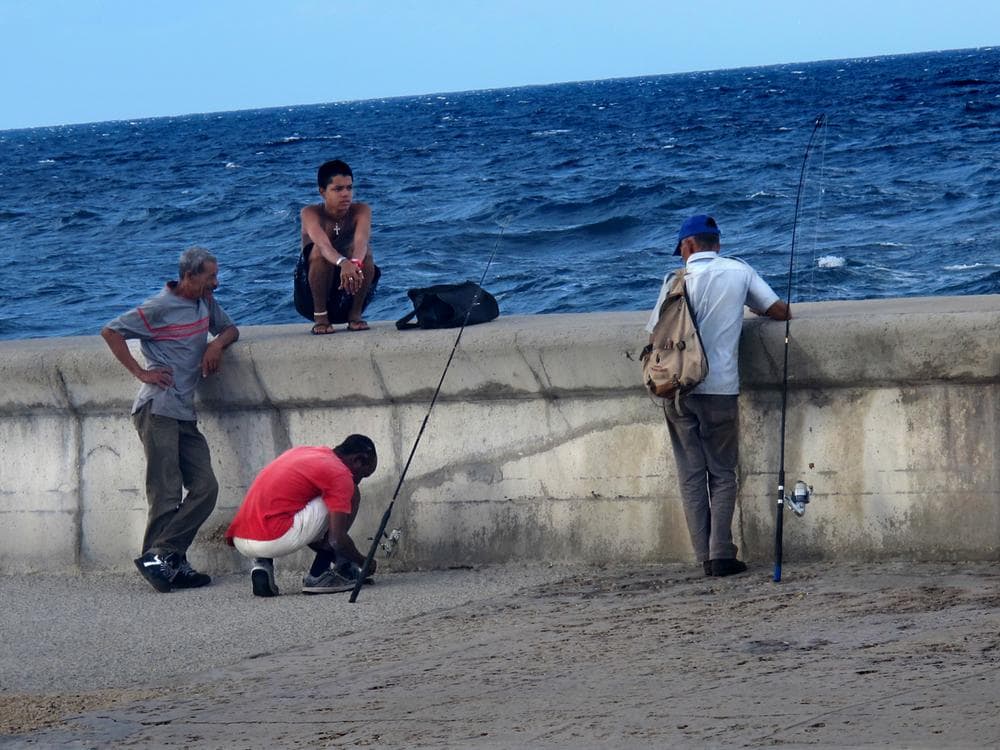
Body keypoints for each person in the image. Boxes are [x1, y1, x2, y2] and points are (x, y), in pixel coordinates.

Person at [646, 215, 790, 577]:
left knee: (692, 475)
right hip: (721, 388)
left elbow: (654, 334)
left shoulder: (674, 281)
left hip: (678, 388)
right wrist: (750, 309)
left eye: (680, 248)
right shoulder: (739, 272)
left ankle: (703, 556)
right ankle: (722, 553)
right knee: (723, 473)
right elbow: (779, 310)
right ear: (717, 244)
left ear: (689, 245)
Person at [101, 247, 240, 592]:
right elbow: (111, 331)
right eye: (210, 276)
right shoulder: (159, 307)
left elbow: (231, 329)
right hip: (157, 408)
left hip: (183, 411)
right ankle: (165, 562)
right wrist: (140, 373)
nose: (216, 282)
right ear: (189, 276)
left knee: (205, 487)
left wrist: (215, 345)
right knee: (165, 493)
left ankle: (163, 556)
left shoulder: (205, 303)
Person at [225, 435, 378, 597]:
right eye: (364, 474)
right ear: (358, 460)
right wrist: (364, 562)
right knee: (351, 494)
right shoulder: (340, 474)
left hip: (241, 537)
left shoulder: (304, 453)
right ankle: (319, 574)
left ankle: (262, 565)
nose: (359, 480)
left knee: (287, 503)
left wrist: (345, 559)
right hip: (273, 538)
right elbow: (336, 539)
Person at [298, 159, 380, 334]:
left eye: (349, 188)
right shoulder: (310, 213)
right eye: (338, 189)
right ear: (322, 192)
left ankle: (355, 315)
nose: (345, 194)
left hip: (349, 286)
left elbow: (361, 241)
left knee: (366, 253)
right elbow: (323, 244)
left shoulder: (361, 210)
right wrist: (343, 263)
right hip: (310, 294)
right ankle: (321, 318)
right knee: (320, 251)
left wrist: (355, 263)